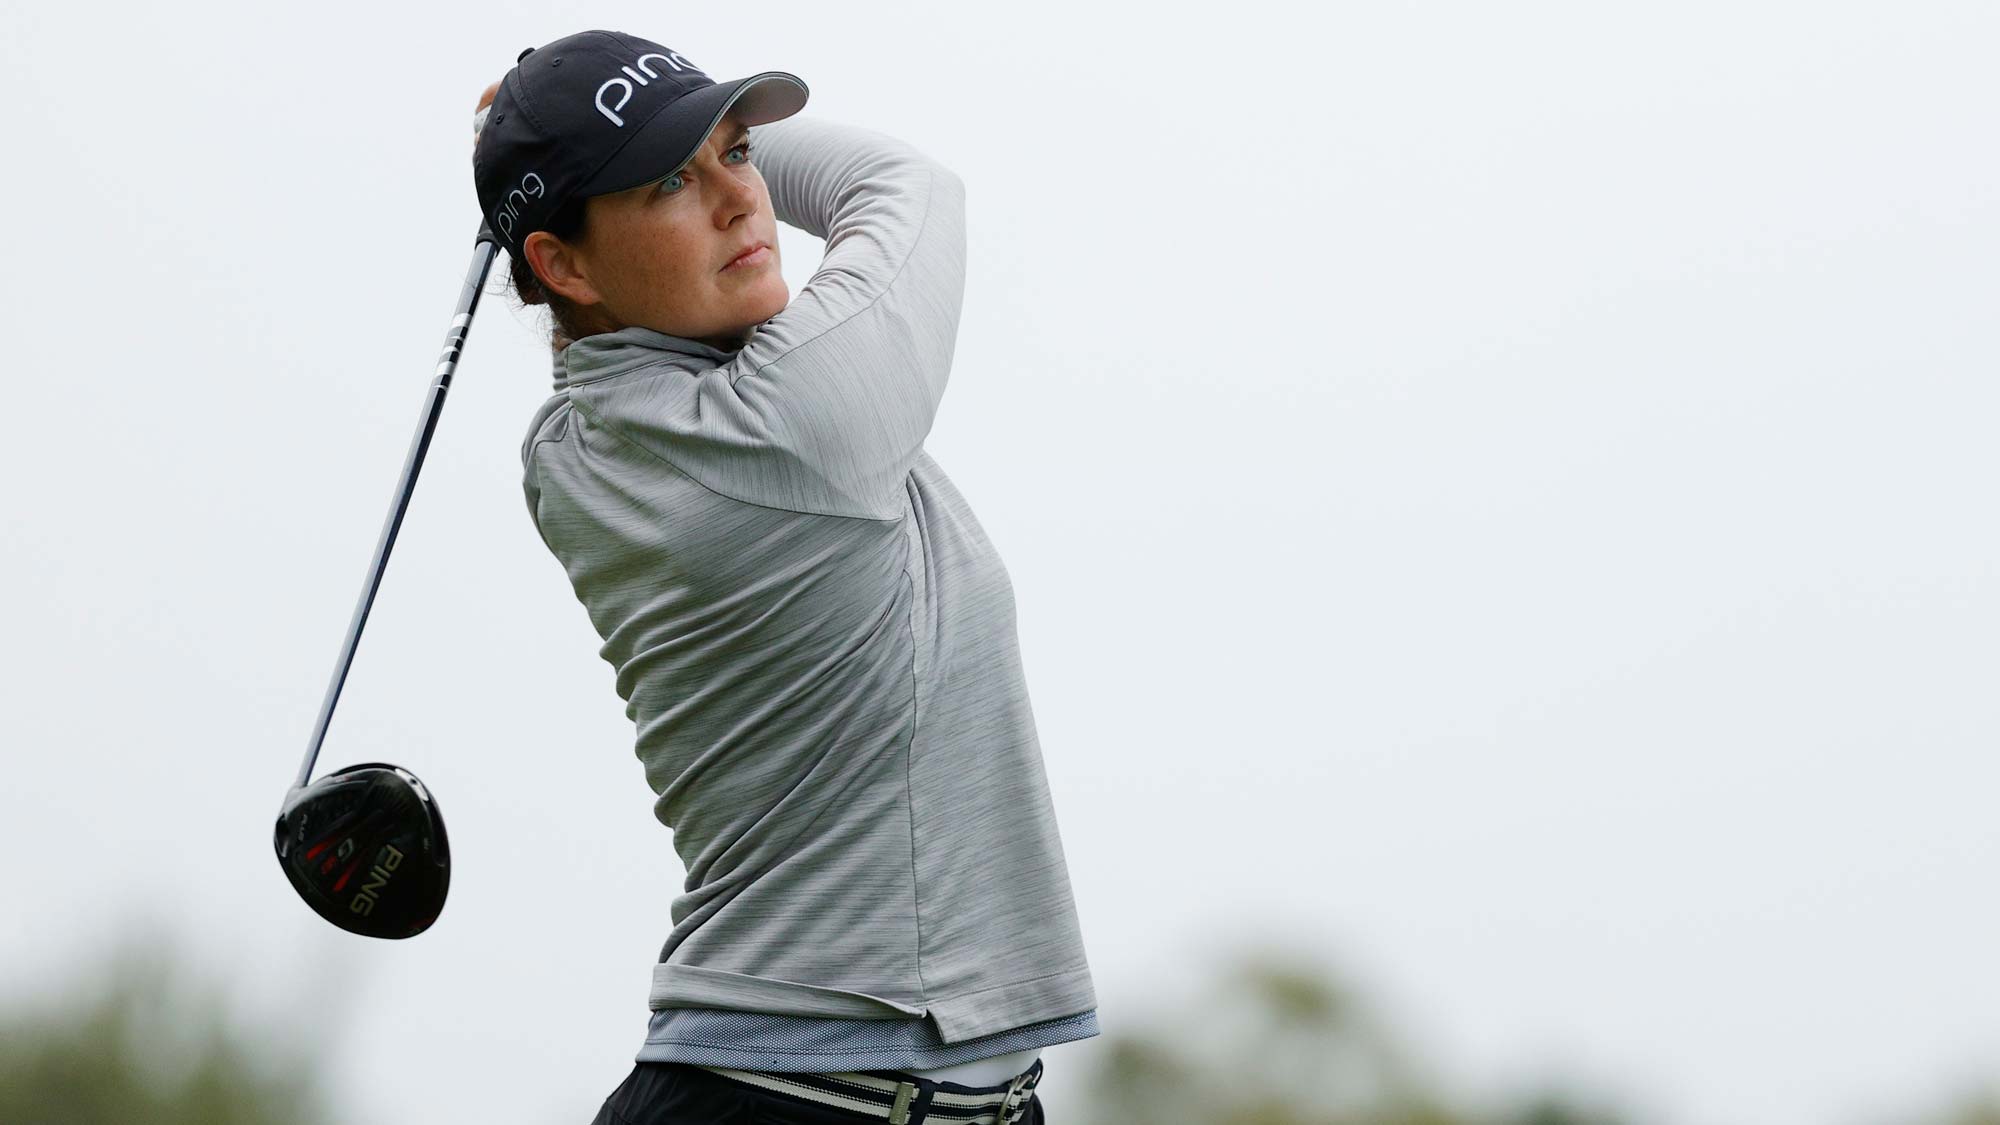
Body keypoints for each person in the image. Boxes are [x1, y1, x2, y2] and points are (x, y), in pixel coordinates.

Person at [470, 30, 1100, 1124]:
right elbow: (904, 184)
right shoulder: (796, 421)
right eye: (669, 181)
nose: (736, 202)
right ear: (562, 263)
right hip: (802, 1100)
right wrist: (561, 137)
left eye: (738, 153)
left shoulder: (571, 446)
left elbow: (595, 331)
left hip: (848, 1089)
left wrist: (566, 140)